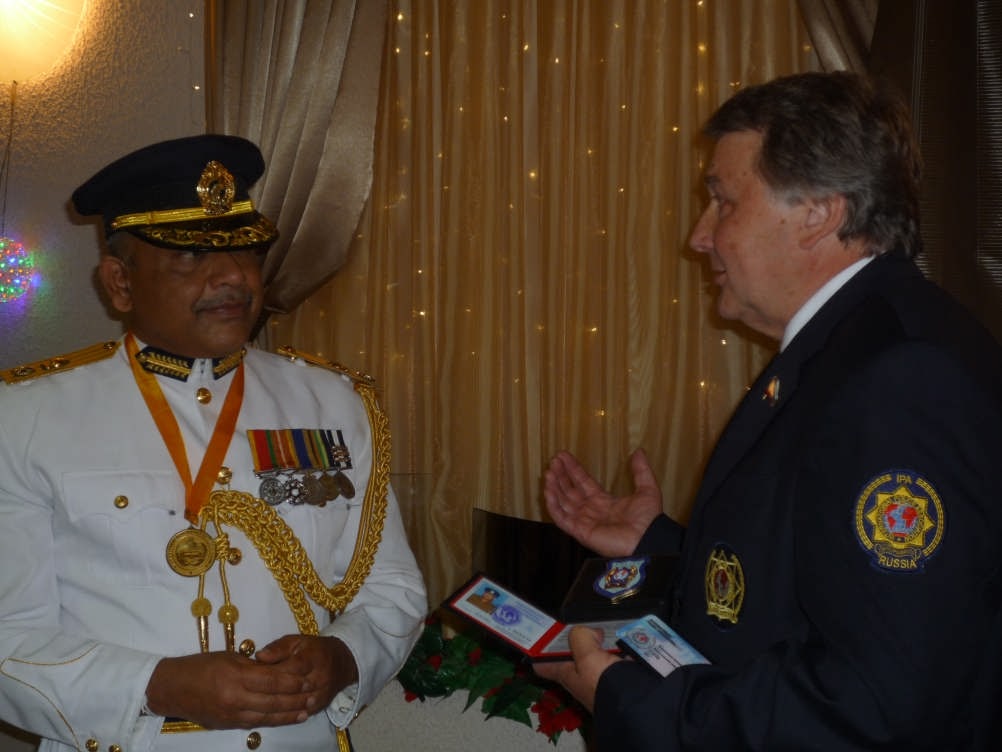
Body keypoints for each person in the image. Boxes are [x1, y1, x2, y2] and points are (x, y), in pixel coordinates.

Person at [536, 71, 1002, 750]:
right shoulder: (853, 344)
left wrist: (634, 701)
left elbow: (877, 703)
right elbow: (821, 583)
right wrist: (660, 547)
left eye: (723, 202)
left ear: (818, 213)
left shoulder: (899, 374)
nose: (700, 236)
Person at [0, 134, 427, 752]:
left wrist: (344, 658)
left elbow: (392, 588)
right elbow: (9, 639)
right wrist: (157, 686)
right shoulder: (26, 417)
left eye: (245, 251)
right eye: (191, 256)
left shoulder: (334, 404)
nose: (234, 277)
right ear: (120, 283)